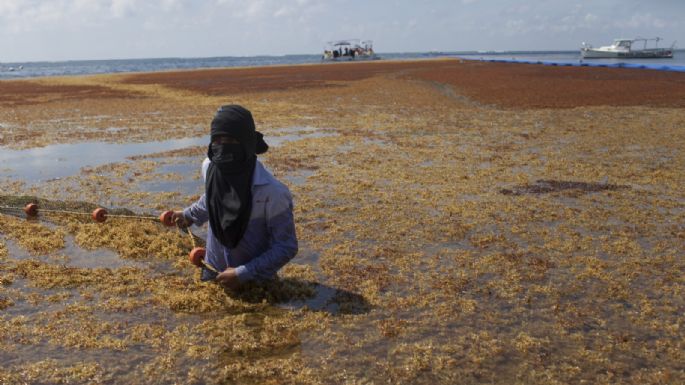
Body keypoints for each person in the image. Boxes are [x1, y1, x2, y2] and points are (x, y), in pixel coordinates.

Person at [173, 105, 298, 290]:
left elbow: (286, 246)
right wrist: (188, 215)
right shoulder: (210, 167)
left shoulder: (272, 192)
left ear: (246, 142)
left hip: (255, 285)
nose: (223, 146)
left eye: (231, 139)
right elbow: (213, 198)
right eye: (218, 139)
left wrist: (243, 273)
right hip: (211, 274)